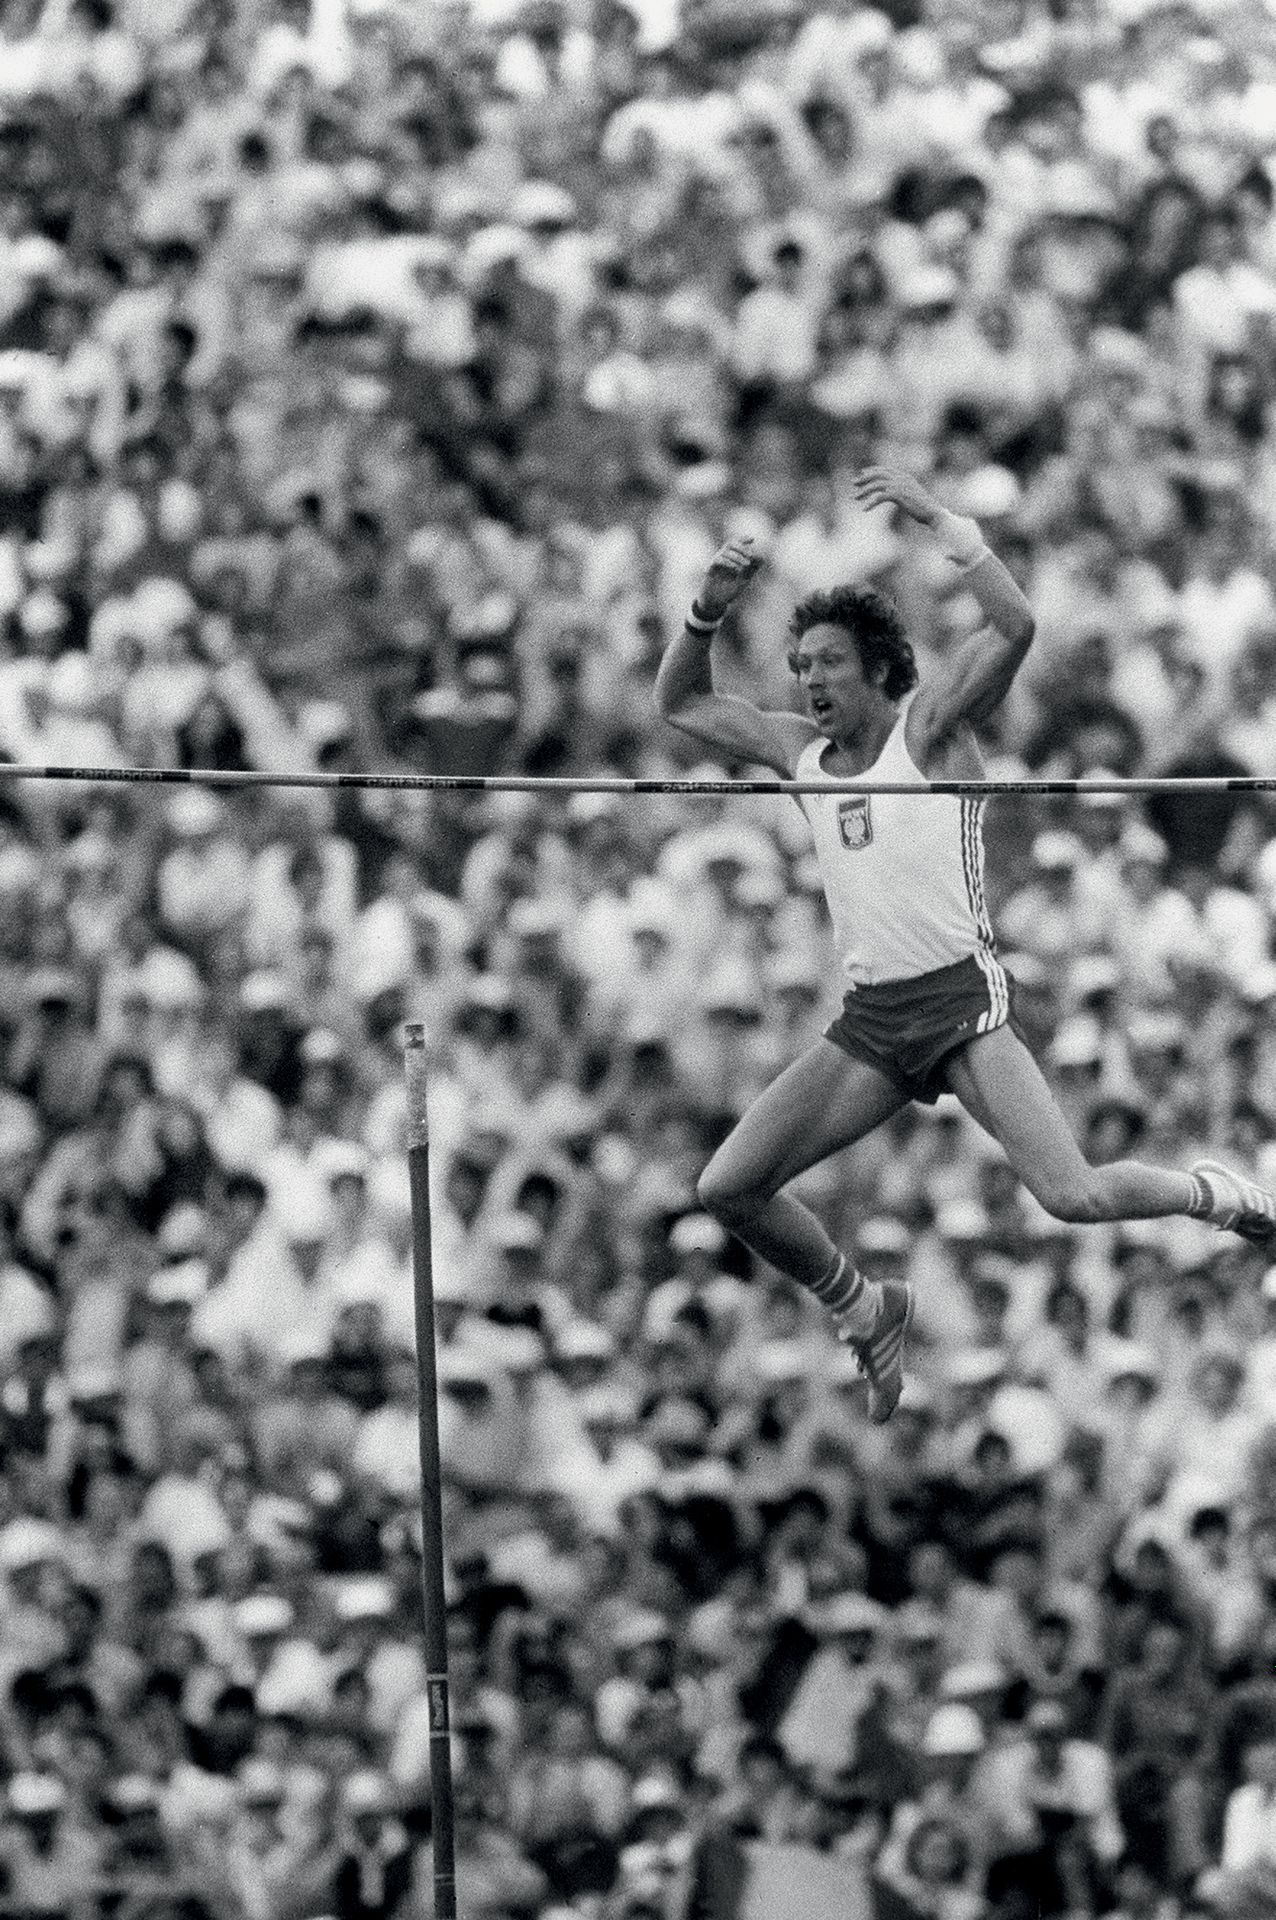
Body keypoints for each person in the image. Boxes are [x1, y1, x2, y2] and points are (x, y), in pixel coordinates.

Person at [654, 466, 1276, 1423]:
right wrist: (704, 613)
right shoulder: (798, 754)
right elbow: (683, 707)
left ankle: (1214, 1195)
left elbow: (1017, 626)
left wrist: (948, 525)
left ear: (874, 666)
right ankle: (864, 1305)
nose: (809, 680)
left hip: (960, 1004)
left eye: (826, 661)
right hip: (871, 1022)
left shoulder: (931, 730)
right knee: (728, 1188)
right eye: (800, 664)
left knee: (1072, 1195)